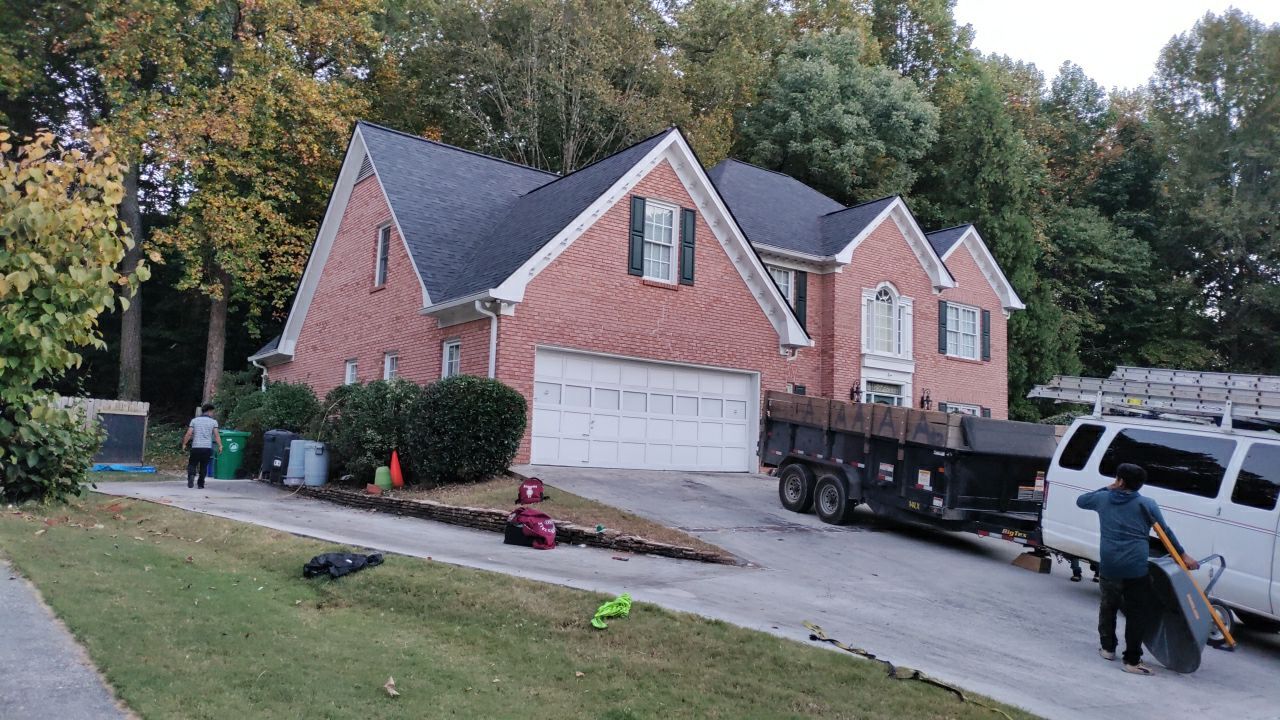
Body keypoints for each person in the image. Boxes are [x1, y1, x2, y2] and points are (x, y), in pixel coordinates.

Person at [1076, 463, 1199, 675]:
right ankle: (1132, 660)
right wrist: (1183, 555)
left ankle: (1107, 648)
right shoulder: (1147, 504)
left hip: (1110, 565)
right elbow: (1164, 532)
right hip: (1136, 567)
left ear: (1120, 481)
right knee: (1137, 613)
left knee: (1108, 606)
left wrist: (1108, 487)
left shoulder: (1102, 499)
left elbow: (1081, 500)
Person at [181, 403, 223, 490]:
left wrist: (184, 444)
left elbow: (189, 433)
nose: (213, 414)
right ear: (209, 411)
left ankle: (191, 476)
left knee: (192, 464)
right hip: (207, 447)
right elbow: (216, 435)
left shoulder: (194, 421)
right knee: (204, 466)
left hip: (196, 447)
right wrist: (220, 445)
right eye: (212, 412)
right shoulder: (213, 422)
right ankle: (200, 484)